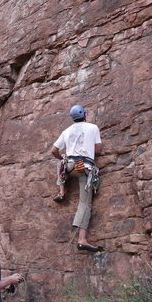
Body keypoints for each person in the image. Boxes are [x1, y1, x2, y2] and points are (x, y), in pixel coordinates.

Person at [51, 104, 102, 252]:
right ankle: (82, 239)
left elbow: (54, 151)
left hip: (70, 166)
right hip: (85, 167)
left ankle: (61, 190)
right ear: (84, 114)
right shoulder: (93, 128)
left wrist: (63, 157)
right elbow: (98, 150)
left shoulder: (66, 131)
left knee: (61, 163)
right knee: (85, 203)